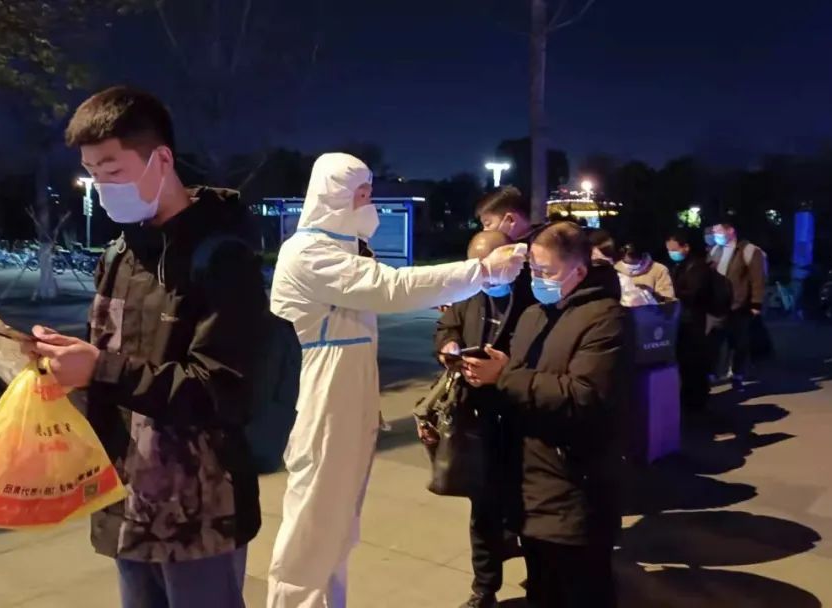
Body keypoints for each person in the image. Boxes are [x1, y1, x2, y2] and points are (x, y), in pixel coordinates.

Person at [26, 86, 267, 607]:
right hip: (125, 502)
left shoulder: (222, 258)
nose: (102, 186)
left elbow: (220, 390)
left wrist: (99, 369)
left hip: (201, 515)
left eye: (113, 170)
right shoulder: (120, 252)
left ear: (161, 160)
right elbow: (111, 361)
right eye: (92, 173)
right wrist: (68, 364)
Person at [267, 153, 525, 608]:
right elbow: (392, 288)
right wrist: (480, 272)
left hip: (344, 402)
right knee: (314, 523)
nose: (369, 204)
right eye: (361, 195)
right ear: (333, 197)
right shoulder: (309, 253)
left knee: (337, 527)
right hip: (323, 401)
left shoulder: (339, 251)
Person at [461, 222, 629, 608]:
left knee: (582, 589)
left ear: (579, 271)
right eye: (533, 270)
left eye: (546, 271)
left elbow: (584, 397)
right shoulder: (534, 315)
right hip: (529, 482)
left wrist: (506, 376)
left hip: (574, 485)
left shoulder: (607, 319)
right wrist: (487, 377)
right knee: (541, 587)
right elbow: (519, 385)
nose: (537, 279)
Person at [428, 230, 530, 608]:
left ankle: (541, 584)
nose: (486, 278)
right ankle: (484, 589)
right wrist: (448, 347)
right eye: (479, 270)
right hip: (477, 415)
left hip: (524, 414)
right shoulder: (468, 290)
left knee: (527, 508)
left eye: (492, 269)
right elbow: (446, 326)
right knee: (483, 507)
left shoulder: (534, 295)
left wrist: (505, 372)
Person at [708, 221, 767, 390]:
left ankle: (737, 374)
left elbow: (757, 279)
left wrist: (756, 303)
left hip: (739, 305)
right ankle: (712, 373)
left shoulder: (749, 251)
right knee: (713, 340)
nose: (715, 235)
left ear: (730, 231)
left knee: (739, 342)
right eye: (714, 232)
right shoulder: (715, 250)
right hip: (717, 304)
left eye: (718, 231)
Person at [666, 230, 716, 410]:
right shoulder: (678, 266)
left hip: (694, 321)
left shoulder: (697, 267)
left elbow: (694, 293)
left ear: (685, 247)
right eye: (669, 250)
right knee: (685, 363)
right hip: (683, 320)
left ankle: (697, 401)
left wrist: (670, 293)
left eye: (674, 249)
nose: (671, 253)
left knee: (694, 362)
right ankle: (689, 398)